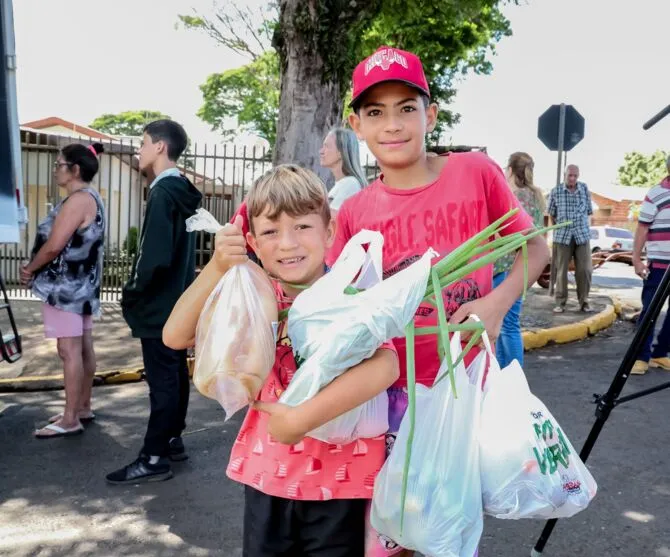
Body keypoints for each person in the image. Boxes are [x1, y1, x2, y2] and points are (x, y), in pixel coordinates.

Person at [328, 46, 550, 557]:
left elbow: (535, 248)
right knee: (389, 534)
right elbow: (341, 304)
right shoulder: (355, 211)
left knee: (446, 533)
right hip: (387, 398)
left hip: (460, 390)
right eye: (375, 112)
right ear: (356, 126)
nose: (393, 124)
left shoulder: (474, 172)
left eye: (407, 108)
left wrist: (495, 304)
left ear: (430, 114)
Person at [163, 165, 400, 556]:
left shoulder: (352, 293)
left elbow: (385, 365)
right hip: (267, 477)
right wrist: (219, 268)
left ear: (329, 231)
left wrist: (301, 419)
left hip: (342, 485)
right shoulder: (253, 294)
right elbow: (176, 336)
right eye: (271, 232)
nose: (287, 243)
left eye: (302, 227)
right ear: (252, 242)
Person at [106, 120, 202, 484]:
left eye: (143, 143)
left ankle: (154, 456)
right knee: (175, 374)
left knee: (163, 380)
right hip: (176, 304)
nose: (139, 150)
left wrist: (132, 291)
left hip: (159, 306)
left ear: (160, 146)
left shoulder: (163, 193)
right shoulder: (179, 191)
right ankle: (172, 440)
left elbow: (152, 256)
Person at [21, 143, 105, 439]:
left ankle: (71, 418)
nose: (56, 170)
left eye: (59, 165)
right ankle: (81, 407)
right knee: (82, 348)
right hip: (81, 288)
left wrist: (30, 268)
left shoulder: (77, 201)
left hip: (66, 289)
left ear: (75, 170)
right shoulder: (92, 198)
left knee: (68, 351)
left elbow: (55, 245)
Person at [492, 152, 546, 368]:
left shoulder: (513, 195)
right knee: (510, 324)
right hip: (524, 267)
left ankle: (510, 376)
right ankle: (512, 377)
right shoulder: (536, 195)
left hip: (505, 266)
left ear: (510, 169)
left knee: (503, 324)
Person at [630, 155, 670, 375]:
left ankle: (660, 354)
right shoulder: (656, 194)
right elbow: (643, 228)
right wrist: (636, 259)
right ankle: (641, 357)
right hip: (659, 267)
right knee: (650, 312)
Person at [547, 165, 594, 313]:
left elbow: (588, 211)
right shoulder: (556, 191)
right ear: (564, 175)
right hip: (563, 236)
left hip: (582, 235)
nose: (572, 178)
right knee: (561, 271)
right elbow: (552, 214)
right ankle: (560, 302)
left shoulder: (584, 189)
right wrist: (558, 228)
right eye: (570, 175)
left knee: (585, 270)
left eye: (575, 176)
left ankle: (584, 301)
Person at [320, 127, 368, 211]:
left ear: (341, 152)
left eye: (327, 146)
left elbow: (330, 222)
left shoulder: (350, 184)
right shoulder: (343, 184)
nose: (321, 151)